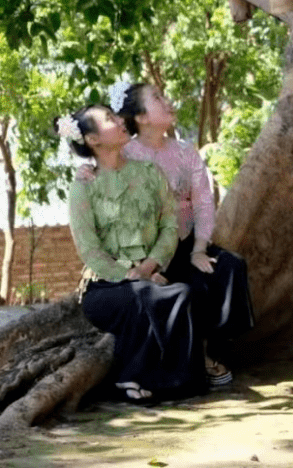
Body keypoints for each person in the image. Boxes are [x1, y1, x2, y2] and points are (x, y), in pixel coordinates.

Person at [60, 105, 205, 403]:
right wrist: (129, 275)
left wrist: (150, 266)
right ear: (92, 140)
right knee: (141, 295)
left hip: (149, 274)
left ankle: (177, 383)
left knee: (181, 294)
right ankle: (129, 376)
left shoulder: (150, 173)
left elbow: (169, 225)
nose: (119, 121)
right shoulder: (83, 186)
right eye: (109, 120)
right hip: (104, 287)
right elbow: (89, 249)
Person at [112, 82, 253, 386]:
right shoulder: (125, 155)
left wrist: (199, 249)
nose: (167, 101)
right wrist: (144, 265)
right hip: (146, 251)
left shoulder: (185, 152)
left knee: (228, 267)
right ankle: (194, 361)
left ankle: (207, 349)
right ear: (141, 117)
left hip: (187, 244)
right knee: (181, 287)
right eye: (157, 98)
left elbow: (203, 202)